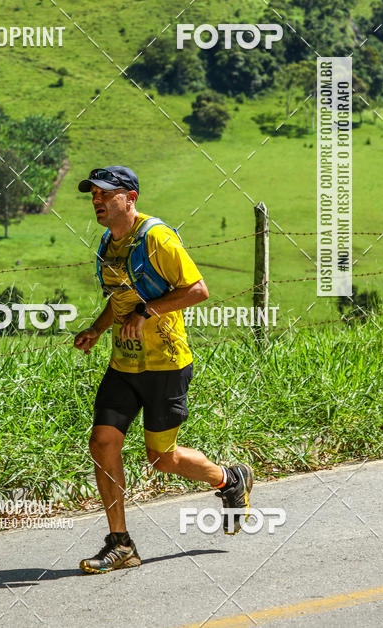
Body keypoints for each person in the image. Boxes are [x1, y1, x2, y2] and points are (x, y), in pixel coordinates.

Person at [73, 165, 253, 574]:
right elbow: (120, 298)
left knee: (162, 459)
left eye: (105, 194)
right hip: (124, 364)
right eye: (93, 195)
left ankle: (229, 479)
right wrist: (97, 329)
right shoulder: (108, 243)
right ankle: (120, 544)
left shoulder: (156, 237)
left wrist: (147, 311)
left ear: (130, 198)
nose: (97, 201)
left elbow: (198, 290)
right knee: (102, 442)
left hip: (165, 365)